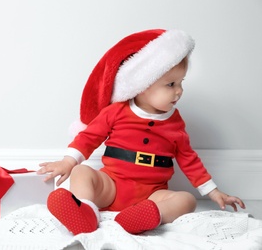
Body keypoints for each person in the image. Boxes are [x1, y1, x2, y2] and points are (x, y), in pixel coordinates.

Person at [37, 29, 245, 235]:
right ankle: (86, 212)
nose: (179, 90)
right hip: (112, 186)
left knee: (187, 200)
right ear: (143, 85)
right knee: (81, 172)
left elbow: (188, 159)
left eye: (181, 83)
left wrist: (213, 191)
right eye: (171, 84)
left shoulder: (175, 122)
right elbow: (90, 137)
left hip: (152, 194)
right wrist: (68, 161)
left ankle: (147, 216)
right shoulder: (117, 111)